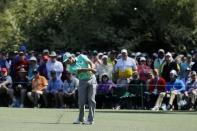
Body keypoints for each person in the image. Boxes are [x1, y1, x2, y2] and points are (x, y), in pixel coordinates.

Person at [63, 52, 97, 125]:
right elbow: (81, 70)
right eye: (66, 62)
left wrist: (93, 67)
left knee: (91, 100)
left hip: (92, 79)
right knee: (81, 101)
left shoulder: (81, 56)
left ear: (70, 57)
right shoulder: (70, 68)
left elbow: (89, 62)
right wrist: (91, 69)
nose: (67, 62)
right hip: (82, 81)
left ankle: (90, 120)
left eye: (67, 60)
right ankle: (81, 118)